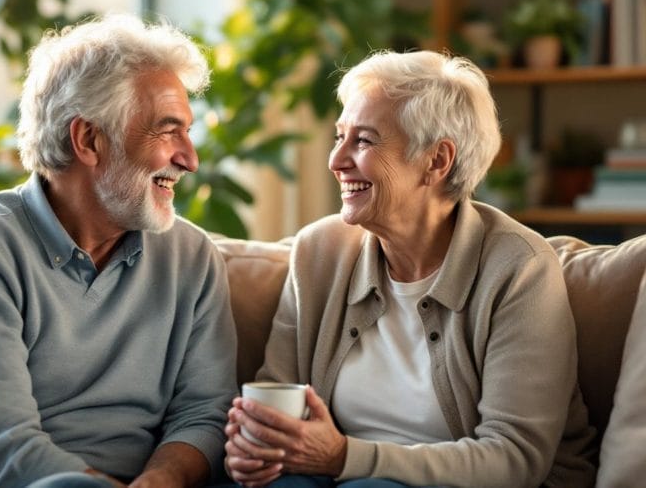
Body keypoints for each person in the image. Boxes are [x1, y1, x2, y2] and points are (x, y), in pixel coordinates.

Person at [221, 50, 597, 488]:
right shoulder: (318, 253)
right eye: (339, 136)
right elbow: (276, 401)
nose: (336, 160)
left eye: (363, 141)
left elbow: (514, 459)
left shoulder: (519, 268)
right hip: (335, 477)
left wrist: (346, 458)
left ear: (437, 161)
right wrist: (254, 446)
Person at [0, 14, 238, 488]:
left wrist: (161, 480)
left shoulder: (192, 257)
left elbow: (205, 413)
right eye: (168, 131)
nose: (190, 158)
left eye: (187, 131)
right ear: (88, 139)